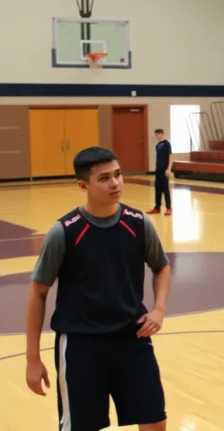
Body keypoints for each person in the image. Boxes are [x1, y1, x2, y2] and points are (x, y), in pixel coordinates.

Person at [25, 146, 171, 431]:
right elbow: (38, 293)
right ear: (84, 185)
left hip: (133, 339)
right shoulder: (64, 232)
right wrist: (33, 359)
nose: (115, 183)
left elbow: (161, 266)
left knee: (155, 421)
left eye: (118, 174)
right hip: (82, 345)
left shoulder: (139, 223)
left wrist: (159, 309)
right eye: (104, 178)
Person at [147, 128, 173, 216]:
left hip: (164, 170)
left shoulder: (167, 144)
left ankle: (168, 208)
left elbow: (170, 156)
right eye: (155, 135)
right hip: (158, 170)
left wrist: (169, 168)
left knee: (165, 188)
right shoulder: (157, 145)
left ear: (161, 134)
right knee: (157, 188)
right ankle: (157, 207)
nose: (156, 137)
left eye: (157, 135)